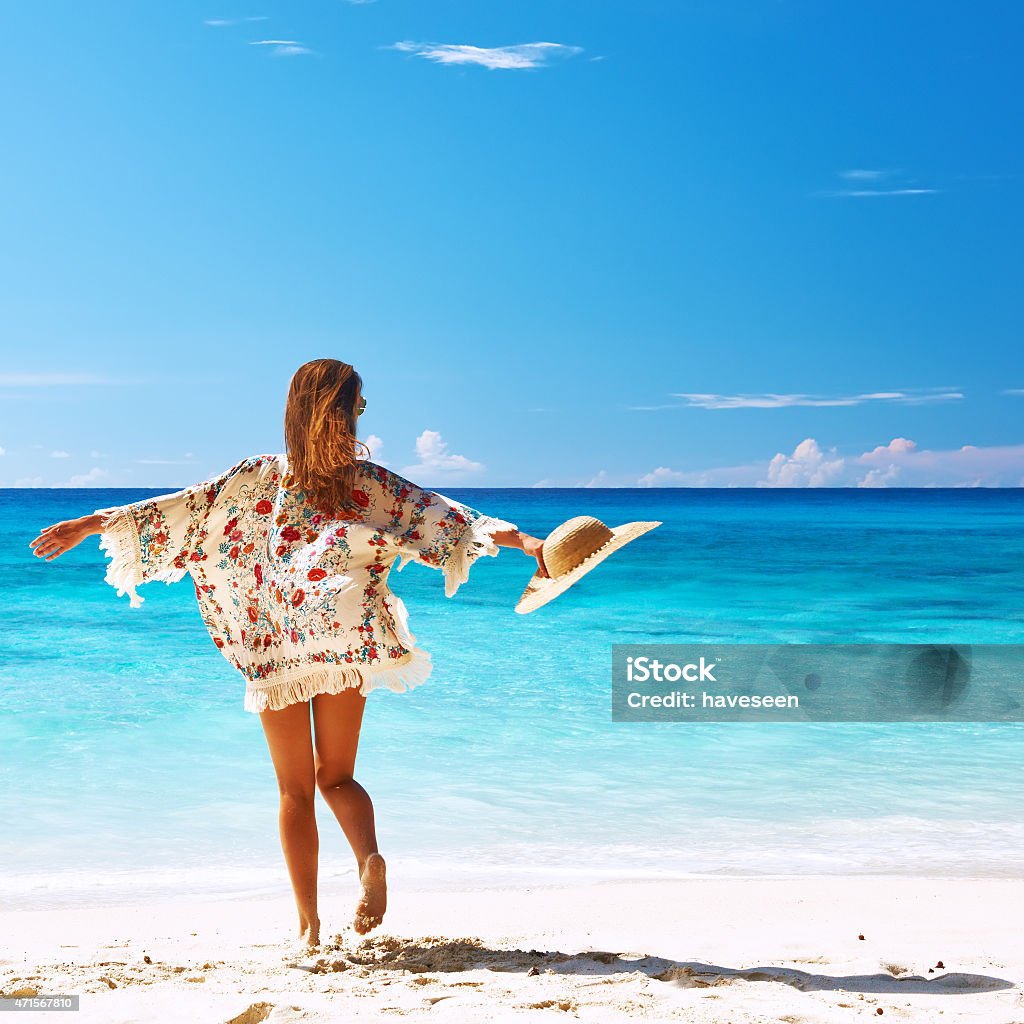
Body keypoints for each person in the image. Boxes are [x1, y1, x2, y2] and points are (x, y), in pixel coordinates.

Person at [29, 358, 549, 947]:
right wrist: (531, 542)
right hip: (342, 634)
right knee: (339, 776)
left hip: (276, 646)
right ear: (347, 410)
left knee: (294, 789)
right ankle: (369, 858)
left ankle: (308, 926)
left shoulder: (254, 477)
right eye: (360, 404)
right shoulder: (368, 481)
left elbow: (180, 510)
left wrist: (93, 524)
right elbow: (449, 518)